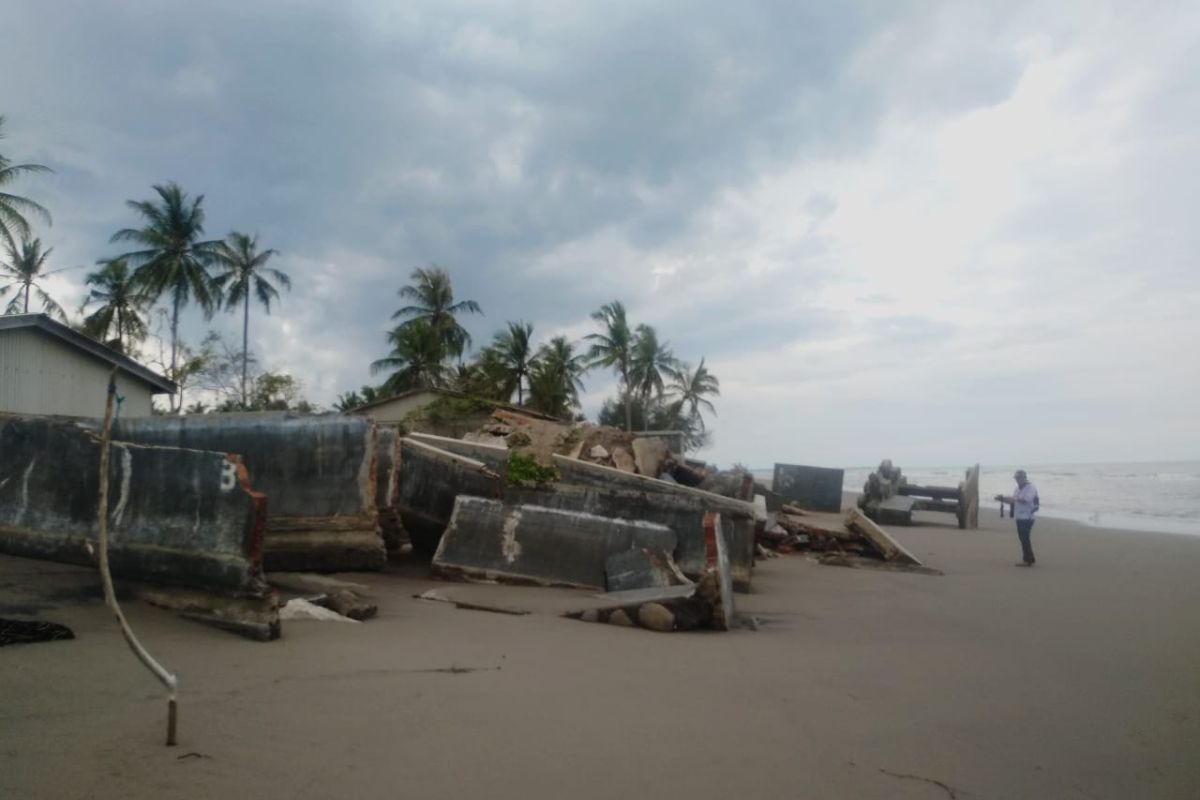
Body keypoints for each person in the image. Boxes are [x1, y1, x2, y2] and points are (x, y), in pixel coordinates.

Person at [996, 470, 1040, 566]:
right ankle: (1028, 558)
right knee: (1022, 538)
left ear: (1024, 478)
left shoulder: (1031, 487)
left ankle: (1028, 559)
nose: (1018, 480)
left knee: (1024, 537)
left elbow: (1027, 499)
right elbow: (1013, 501)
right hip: (1019, 516)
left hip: (1028, 516)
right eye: (1016, 478)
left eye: (1019, 478)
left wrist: (1014, 499)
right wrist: (1002, 499)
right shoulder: (1017, 488)